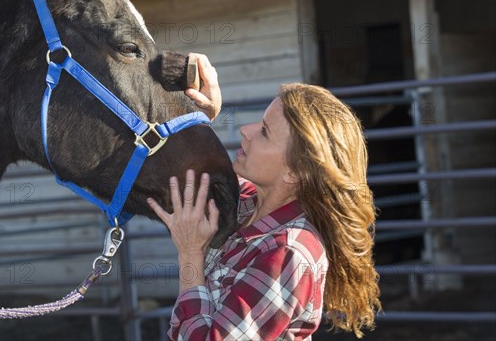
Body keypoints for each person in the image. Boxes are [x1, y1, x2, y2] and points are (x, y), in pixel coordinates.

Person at [147, 54, 381, 340]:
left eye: (265, 132)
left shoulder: (287, 254)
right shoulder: (246, 204)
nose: (246, 130)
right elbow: (194, 177)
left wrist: (190, 256)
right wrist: (201, 118)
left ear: (294, 172)